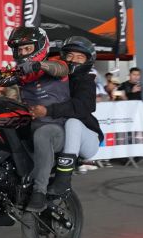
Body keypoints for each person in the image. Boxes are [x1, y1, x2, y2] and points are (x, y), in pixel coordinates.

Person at [7, 29, 102, 213]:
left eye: (79, 58)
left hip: (86, 138)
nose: (73, 60)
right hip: (61, 133)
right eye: (70, 56)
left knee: (73, 122)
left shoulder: (85, 80)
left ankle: (63, 179)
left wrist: (48, 110)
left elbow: (84, 106)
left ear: (88, 61)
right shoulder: (55, 78)